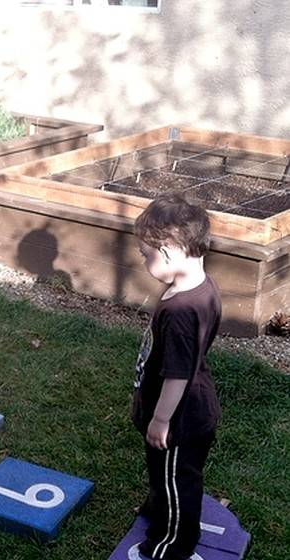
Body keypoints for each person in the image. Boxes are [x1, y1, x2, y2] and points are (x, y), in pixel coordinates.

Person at [131, 193, 222, 560]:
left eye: (146, 255)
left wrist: (161, 419)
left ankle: (172, 544)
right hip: (182, 409)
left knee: (177, 481)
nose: (143, 260)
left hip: (180, 421)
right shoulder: (202, 287)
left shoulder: (182, 311)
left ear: (167, 253)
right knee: (164, 475)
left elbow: (178, 375)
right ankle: (159, 506)